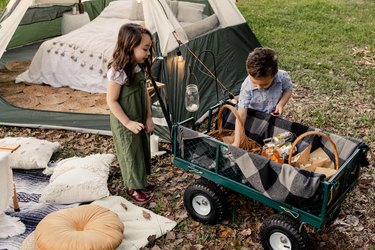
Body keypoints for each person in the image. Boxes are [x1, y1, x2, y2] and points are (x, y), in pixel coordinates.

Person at [106, 23, 155, 203]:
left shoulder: (138, 66)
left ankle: (140, 179)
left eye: (149, 49)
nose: (148, 53)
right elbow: (111, 101)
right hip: (125, 120)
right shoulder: (118, 72)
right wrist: (127, 122)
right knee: (130, 152)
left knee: (141, 148)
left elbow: (144, 93)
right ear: (129, 46)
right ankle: (132, 186)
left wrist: (149, 116)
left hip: (139, 115)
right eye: (145, 49)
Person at [232, 47, 293, 147]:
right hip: (254, 118)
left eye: (264, 84)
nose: (259, 87)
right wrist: (237, 141)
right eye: (255, 83)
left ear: (274, 75)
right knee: (254, 141)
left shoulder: (282, 77)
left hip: (273, 117)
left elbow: (288, 89)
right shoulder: (247, 86)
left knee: (275, 144)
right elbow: (241, 114)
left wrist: (281, 104)